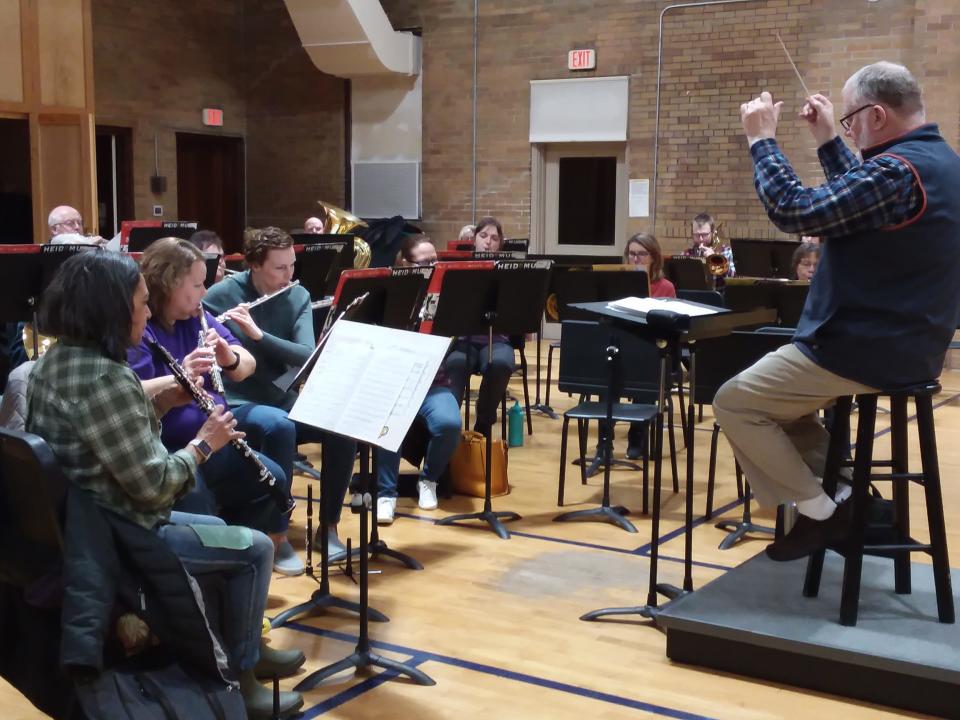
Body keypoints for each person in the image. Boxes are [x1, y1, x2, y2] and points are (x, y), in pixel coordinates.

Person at [25, 251, 304, 718]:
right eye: (140, 303)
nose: (148, 311)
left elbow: (112, 440)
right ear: (111, 310)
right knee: (256, 549)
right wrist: (205, 443)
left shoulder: (56, 363)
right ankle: (241, 677)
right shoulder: (104, 378)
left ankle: (243, 646)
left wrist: (165, 400)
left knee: (235, 510)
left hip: (92, 516)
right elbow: (155, 486)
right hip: (126, 530)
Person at [714, 61, 960, 562]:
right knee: (782, 409)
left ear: (876, 115)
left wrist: (762, 140)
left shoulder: (895, 170)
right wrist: (830, 140)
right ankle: (851, 499)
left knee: (736, 402)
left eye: (849, 121)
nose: (849, 128)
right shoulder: (941, 163)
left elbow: (796, 211)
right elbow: (863, 204)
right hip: (912, 348)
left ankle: (824, 514)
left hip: (861, 348)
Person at [128, 238, 304, 575]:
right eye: (197, 284)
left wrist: (229, 356)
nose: (205, 290)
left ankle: (242, 555)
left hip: (217, 436)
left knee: (274, 481)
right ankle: (215, 572)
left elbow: (246, 364)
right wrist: (180, 375)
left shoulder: (198, 316)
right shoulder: (141, 328)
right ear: (168, 285)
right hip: (172, 447)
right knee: (201, 505)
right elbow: (132, 389)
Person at [202, 226, 357, 560]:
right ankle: (277, 533)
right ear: (254, 265)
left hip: (283, 396)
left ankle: (328, 527)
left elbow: (306, 354)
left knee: (343, 426)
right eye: (280, 268)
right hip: (238, 400)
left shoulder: (296, 296)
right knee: (279, 426)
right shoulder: (219, 296)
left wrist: (258, 335)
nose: (289, 275)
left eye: (292, 266)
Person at [375, 236, 461, 523]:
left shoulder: (446, 295)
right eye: (425, 263)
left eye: (435, 261)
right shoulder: (386, 294)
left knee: (449, 424)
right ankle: (385, 494)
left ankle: (429, 480)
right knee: (390, 425)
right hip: (393, 382)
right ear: (404, 263)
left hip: (432, 383)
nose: (433, 266)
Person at [445, 216, 516, 436]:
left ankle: (484, 420)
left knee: (501, 364)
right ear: (473, 239)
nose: (488, 242)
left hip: (497, 340)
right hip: (464, 340)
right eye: (483, 236)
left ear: (500, 244)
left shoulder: (510, 272)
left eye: (494, 238)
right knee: (455, 365)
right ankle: (448, 424)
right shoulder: (459, 270)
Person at [624, 233, 676, 298]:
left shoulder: (666, 287)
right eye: (632, 253)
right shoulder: (621, 283)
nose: (635, 259)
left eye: (642, 254)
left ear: (654, 257)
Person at [685, 212, 735, 276]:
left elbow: (733, 276)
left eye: (704, 235)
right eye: (697, 235)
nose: (701, 239)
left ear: (713, 233)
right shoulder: (687, 254)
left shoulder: (726, 252)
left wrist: (715, 259)